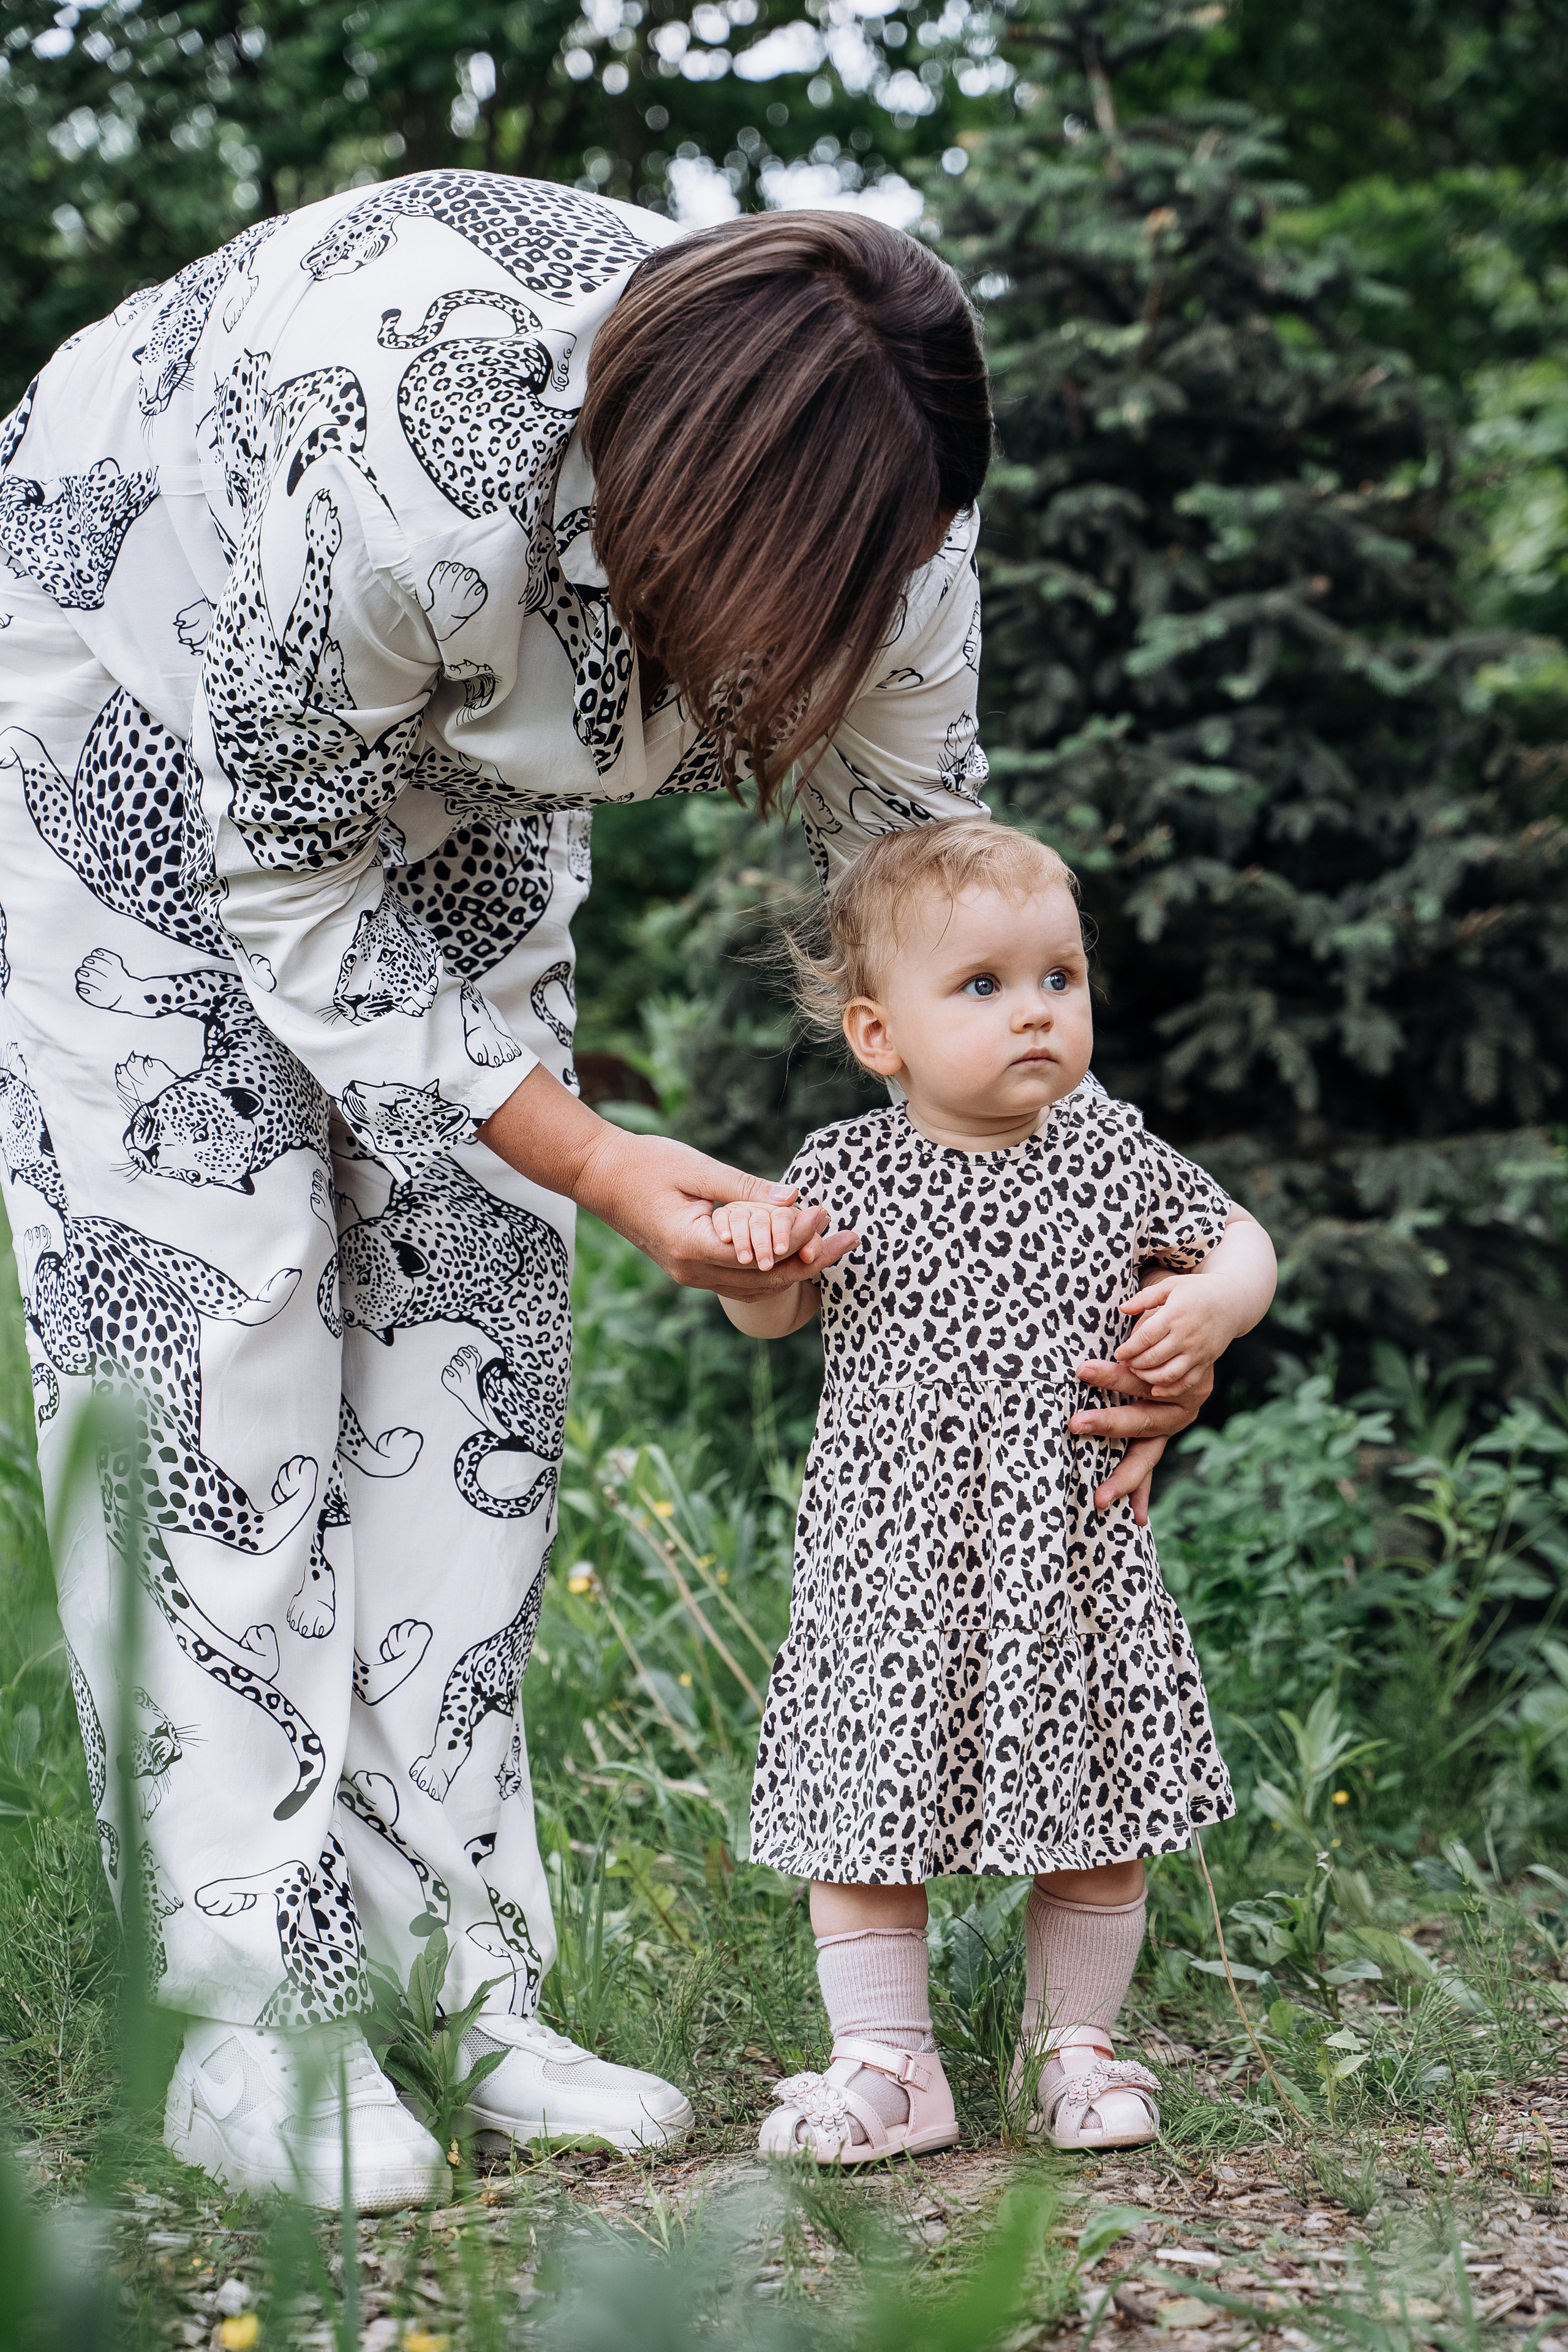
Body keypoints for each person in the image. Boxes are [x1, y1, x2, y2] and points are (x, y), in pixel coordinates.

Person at [0, 175, 1213, 2210]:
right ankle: (243, 2019)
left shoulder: (885, 506)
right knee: (219, 1323)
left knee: (472, 1327)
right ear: (674, 517)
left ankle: (459, 1979)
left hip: (458, 758)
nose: (834, 646)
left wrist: (1102, 1285)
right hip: (142, 660)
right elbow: (290, 876)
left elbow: (925, 908)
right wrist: (610, 1152)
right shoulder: (385, 456)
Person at [714, 820, 1278, 2160]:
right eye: (981, 987)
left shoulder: (1108, 1150)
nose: (1033, 1012)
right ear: (877, 1035)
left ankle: (1069, 2052)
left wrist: (1211, 1302)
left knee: (1096, 1804)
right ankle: (889, 2066)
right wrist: (750, 1260)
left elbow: (1241, 1237)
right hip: (892, 1559)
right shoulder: (846, 1171)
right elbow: (771, 1316)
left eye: (1057, 980)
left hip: (1066, 1554)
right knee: (863, 1815)